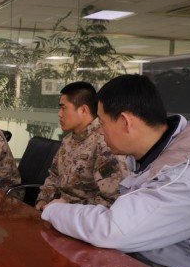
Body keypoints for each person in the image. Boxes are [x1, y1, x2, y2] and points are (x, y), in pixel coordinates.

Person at [42, 74, 190, 267]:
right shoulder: (155, 153)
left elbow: (113, 229)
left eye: (102, 123)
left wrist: (55, 210)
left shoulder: (185, 176)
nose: (100, 131)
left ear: (125, 122)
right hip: (144, 266)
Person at [35, 82, 128, 211]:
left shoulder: (105, 142)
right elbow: (54, 175)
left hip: (82, 218)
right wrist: (43, 199)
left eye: (64, 108)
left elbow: (111, 201)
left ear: (83, 110)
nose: (59, 114)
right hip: (55, 211)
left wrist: (67, 208)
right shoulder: (68, 141)